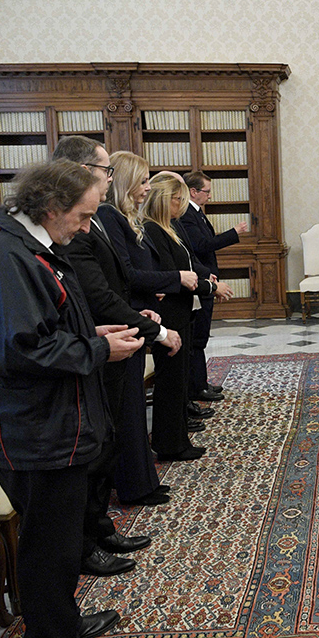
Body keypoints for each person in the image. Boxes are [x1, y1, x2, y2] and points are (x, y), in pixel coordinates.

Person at [0, 160, 143, 638]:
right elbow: (20, 349)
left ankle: (60, 622)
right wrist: (98, 350)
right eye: (82, 216)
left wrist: (87, 332)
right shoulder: (9, 257)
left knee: (58, 541)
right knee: (49, 547)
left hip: (50, 423)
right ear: (51, 208)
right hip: (35, 431)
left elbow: (39, 326)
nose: (86, 227)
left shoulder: (30, 246)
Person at [52, 136, 172, 577]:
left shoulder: (99, 218)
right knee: (97, 449)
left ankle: (100, 529)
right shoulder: (47, 239)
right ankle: (88, 543)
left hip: (108, 336)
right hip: (94, 355)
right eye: (105, 171)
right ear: (86, 172)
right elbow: (94, 294)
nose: (108, 178)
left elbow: (105, 286)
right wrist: (148, 329)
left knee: (107, 443)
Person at [99, 151, 193, 504]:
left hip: (138, 314)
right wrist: (167, 281)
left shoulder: (122, 218)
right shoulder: (110, 218)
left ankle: (144, 481)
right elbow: (125, 275)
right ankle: (136, 484)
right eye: (141, 181)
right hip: (126, 320)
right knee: (127, 411)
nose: (147, 187)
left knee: (135, 408)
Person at [140, 173, 227, 462]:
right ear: (166, 200)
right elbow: (173, 275)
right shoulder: (153, 230)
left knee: (179, 379)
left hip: (182, 310)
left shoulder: (169, 227)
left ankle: (178, 439)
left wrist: (200, 281)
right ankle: (169, 443)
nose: (182, 204)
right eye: (179, 199)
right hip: (171, 313)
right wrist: (209, 287)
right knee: (171, 381)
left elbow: (187, 266)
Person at [180, 170, 246, 404]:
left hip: (206, 278)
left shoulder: (195, 213)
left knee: (201, 336)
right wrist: (234, 233)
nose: (210, 196)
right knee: (198, 337)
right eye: (207, 191)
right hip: (200, 280)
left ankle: (201, 383)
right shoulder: (187, 214)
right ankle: (197, 388)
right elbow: (202, 245)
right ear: (193, 191)